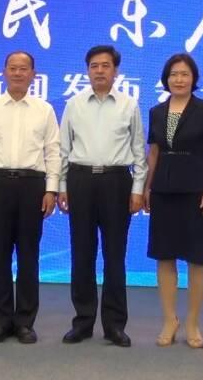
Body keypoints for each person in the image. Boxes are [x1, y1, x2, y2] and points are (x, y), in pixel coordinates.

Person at [0, 51, 60, 344]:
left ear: (33, 74)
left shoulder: (44, 110)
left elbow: (53, 151)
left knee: (29, 256)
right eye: (13, 68)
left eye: (24, 69)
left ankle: (25, 323)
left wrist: (51, 189)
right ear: (4, 72)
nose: (18, 73)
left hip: (33, 185)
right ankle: (1, 322)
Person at [58, 45, 146, 348]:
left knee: (114, 255)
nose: (99, 71)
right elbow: (63, 149)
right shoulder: (74, 104)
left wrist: (137, 190)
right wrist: (62, 187)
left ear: (115, 71)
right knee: (82, 253)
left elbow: (138, 151)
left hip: (116, 181)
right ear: (87, 70)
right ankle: (82, 322)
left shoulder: (128, 105)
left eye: (105, 66)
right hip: (80, 180)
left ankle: (114, 325)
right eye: (94, 66)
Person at [143, 53, 203, 349]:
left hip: (195, 188)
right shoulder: (156, 111)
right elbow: (154, 152)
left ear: (193, 78)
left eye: (185, 74)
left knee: (197, 257)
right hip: (163, 189)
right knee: (165, 255)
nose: (179, 79)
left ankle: (192, 322)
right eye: (174, 74)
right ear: (166, 78)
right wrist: (147, 187)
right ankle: (169, 319)